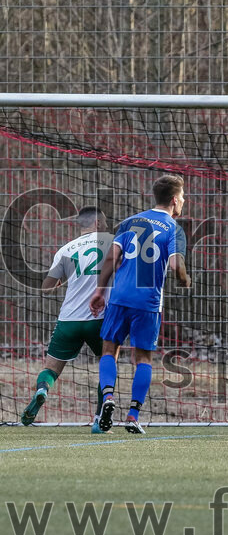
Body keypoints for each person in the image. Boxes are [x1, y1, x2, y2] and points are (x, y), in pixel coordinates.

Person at [89, 175, 191, 434]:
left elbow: (112, 258)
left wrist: (100, 291)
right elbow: (177, 267)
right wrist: (185, 280)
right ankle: (133, 416)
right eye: (183, 198)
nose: (184, 202)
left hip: (120, 297)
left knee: (109, 350)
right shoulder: (173, 229)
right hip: (147, 301)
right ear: (174, 200)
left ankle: (108, 398)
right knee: (143, 358)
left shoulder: (129, 222)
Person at [21, 207, 115, 433]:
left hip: (69, 319)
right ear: (99, 223)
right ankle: (98, 422)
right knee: (107, 365)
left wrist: (70, 280)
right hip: (99, 317)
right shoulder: (113, 242)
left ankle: (42, 390)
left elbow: (46, 288)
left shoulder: (65, 249)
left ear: (80, 224)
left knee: (51, 369)